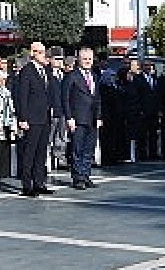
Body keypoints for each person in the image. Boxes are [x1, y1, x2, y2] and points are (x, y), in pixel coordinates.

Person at [12, 42, 57, 197]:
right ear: (33, 53)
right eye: (40, 52)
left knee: (41, 152)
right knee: (29, 153)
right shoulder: (27, 71)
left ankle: (39, 182)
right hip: (32, 118)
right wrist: (22, 118)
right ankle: (27, 185)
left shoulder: (45, 70)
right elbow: (22, 97)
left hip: (44, 117)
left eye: (44, 52)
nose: (44, 55)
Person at [62, 47, 103, 189]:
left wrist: (98, 116)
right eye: (84, 59)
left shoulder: (94, 76)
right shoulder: (72, 76)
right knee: (77, 149)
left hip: (92, 118)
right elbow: (65, 98)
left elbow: (97, 98)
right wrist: (69, 117)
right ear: (79, 60)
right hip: (78, 118)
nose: (87, 62)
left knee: (89, 149)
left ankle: (86, 175)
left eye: (90, 59)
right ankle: (77, 177)